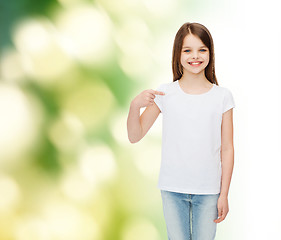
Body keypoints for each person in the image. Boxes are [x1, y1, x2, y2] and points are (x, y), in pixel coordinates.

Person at [127, 22, 235, 240]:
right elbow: (134, 136)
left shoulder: (222, 96)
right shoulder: (165, 93)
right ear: (178, 54)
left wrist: (224, 194)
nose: (195, 56)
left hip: (209, 191)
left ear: (210, 53)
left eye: (201, 49)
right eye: (187, 50)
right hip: (172, 188)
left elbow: (227, 149)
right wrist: (134, 106)